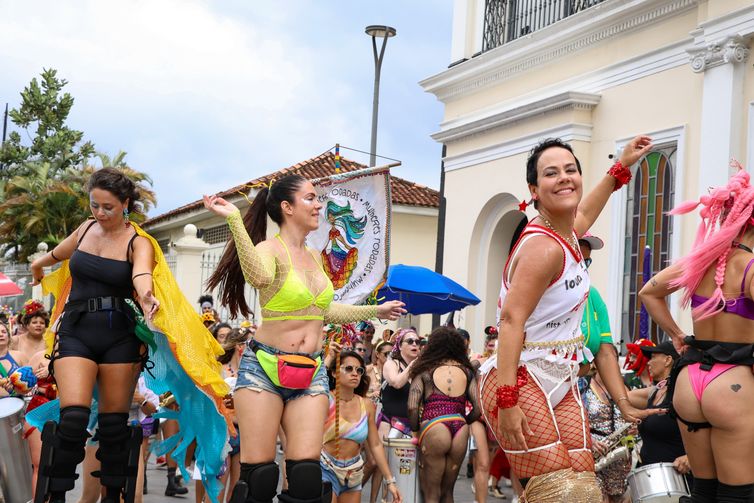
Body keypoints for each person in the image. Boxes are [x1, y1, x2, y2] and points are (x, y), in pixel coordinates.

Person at [30, 168, 231, 503]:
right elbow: (57, 255)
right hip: (77, 331)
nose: (100, 213)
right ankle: (55, 497)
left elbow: (140, 274)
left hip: (120, 338)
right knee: (73, 418)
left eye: (108, 206)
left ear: (126, 203)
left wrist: (147, 294)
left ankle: (113, 498)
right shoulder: (85, 230)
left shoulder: (139, 242)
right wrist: (38, 265)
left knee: (112, 427)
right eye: (95, 205)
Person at [202, 174, 405, 503]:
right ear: (287, 207)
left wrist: (374, 311)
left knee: (307, 476)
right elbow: (258, 276)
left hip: (310, 370)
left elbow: (322, 311)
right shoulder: (269, 250)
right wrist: (236, 221)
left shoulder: (314, 257)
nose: (319, 205)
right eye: (310, 198)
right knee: (260, 478)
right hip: (263, 368)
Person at [479, 136, 654, 501]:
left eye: (571, 170)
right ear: (534, 190)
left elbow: (586, 213)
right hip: (519, 379)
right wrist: (508, 402)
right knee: (562, 493)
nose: (564, 178)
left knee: (584, 488)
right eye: (551, 173)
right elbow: (511, 323)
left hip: (560, 375)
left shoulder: (568, 233)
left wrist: (620, 167)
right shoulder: (542, 248)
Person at [408, 327, 481, 503]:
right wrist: (465, 421)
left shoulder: (425, 370)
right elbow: (479, 407)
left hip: (434, 426)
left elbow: (412, 406)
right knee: (448, 492)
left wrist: (416, 431)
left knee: (431, 493)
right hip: (459, 428)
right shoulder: (467, 371)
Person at [321, 350, 401, 502]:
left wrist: (390, 481)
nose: (355, 373)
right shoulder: (325, 399)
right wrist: (329, 356)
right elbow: (309, 385)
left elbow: (376, 445)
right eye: (349, 368)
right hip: (326, 468)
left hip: (354, 473)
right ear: (334, 373)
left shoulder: (366, 405)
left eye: (359, 370)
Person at [625, 342, 689, 479]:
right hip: (649, 477)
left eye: (653, 357)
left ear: (667, 360)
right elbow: (621, 397)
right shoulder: (655, 392)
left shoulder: (682, 392)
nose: (648, 363)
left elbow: (707, 430)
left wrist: (691, 458)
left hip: (674, 479)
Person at [582, 364, 632, 502]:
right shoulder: (584, 385)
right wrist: (589, 440)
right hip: (594, 458)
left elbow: (631, 419)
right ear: (596, 364)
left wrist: (632, 434)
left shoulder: (624, 387)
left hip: (619, 462)